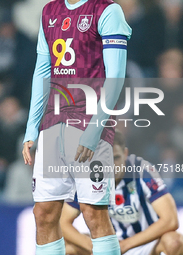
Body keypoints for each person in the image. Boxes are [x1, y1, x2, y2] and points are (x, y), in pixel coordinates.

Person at [21, 0, 132, 254]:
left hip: (89, 122)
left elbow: (115, 78)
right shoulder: (49, 11)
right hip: (53, 123)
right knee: (44, 213)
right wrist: (31, 128)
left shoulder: (107, 10)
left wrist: (94, 132)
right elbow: (42, 72)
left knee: (93, 213)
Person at [60, 130, 183, 255]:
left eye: (116, 158)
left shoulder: (142, 170)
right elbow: (62, 222)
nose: (111, 165)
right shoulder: (86, 178)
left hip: (145, 245)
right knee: (65, 248)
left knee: (175, 242)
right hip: (108, 246)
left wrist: (125, 245)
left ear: (125, 153)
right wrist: (92, 247)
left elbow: (171, 220)